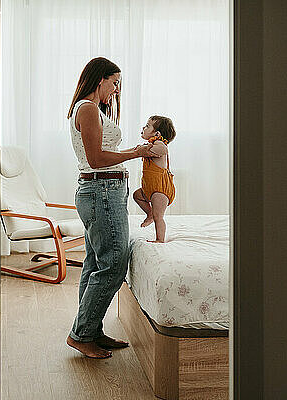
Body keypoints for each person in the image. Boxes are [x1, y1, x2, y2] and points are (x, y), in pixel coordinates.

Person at [66, 57, 156, 359]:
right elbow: (96, 159)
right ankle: (81, 334)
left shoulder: (90, 108)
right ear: (99, 79)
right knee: (115, 263)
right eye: (114, 82)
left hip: (104, 190)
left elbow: (101, 152)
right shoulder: (88, 108)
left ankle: (91, 330)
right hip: (101, 190)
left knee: (95, 263)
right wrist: (136, 152)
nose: (116, 90)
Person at [132, 116, 176, 243]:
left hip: (160, 190)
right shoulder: (150, 145)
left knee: (159, 217)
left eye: (147, 126)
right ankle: (149, 214)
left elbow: (164, 150)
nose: (143, 128)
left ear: (157, 133)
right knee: (137, 195)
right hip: (149, 188)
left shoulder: (159, 143)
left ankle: (160, 239)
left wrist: (145, 150)